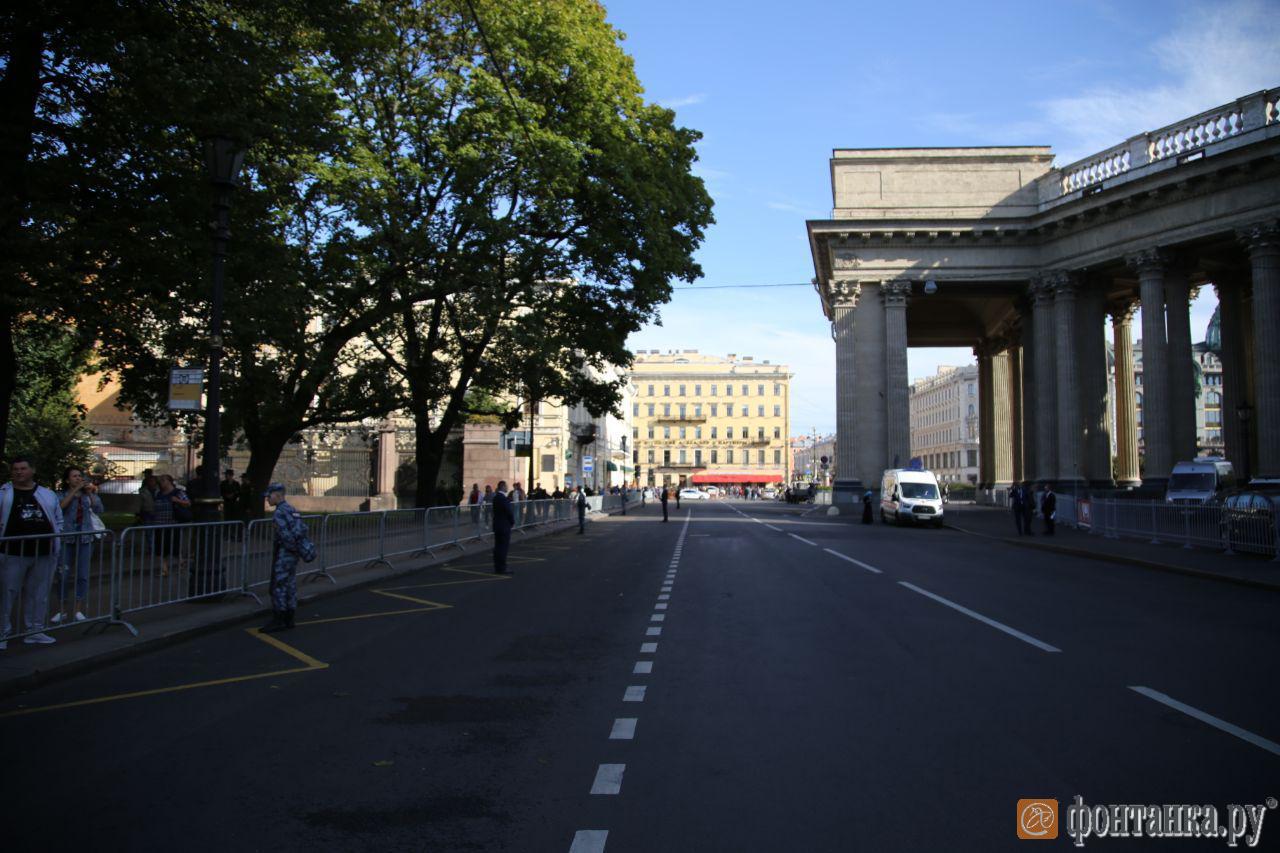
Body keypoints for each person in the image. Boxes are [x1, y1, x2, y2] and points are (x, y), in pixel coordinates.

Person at [1, 455, 64, 648]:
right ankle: (2, 633)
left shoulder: (47, 494)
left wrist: (56, 538)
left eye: (23, 468)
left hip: (43, 553)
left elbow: (58, 519)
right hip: (12, 552)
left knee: (38, 594)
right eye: (16, 469)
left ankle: (35, 631)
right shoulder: (4, 493)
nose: (19, 472)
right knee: (6, 593)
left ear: (32, 470)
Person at [52, 467, 104, 625]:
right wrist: (74, 491)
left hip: (85, 538)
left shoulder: (88, 495)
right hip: (67, 538)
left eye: (79, 476)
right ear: (67, 480)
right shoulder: (61, 494)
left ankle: (78, 609)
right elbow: (60, 508)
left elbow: (99, 509)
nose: (78, 478)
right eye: (74, 476)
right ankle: (62, 609)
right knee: (63, 574)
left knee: (83, 574)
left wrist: (89, 494)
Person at [261, 483, 310, 632]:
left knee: (279, 585)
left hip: (285, 552)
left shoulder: (279, 513)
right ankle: (290, 618)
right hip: (293, 554)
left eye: (269, 496)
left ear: (277, 495)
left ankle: (279, 618)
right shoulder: (292, 509)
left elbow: (285, 535)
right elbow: (303, 529)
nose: (267, 499)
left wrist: (290, 547)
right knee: (290, 584)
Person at [491, 480, 514, 575]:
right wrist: (512, 521)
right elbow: (508, 511)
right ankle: (502, 568)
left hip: (497, 525)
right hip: (504, 526)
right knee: (503, 547)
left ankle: (498, 567)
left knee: (498, 547)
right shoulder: (503, 498)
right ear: (503, 487)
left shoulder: (496, 498)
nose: (507, 487)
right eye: (506, 486)